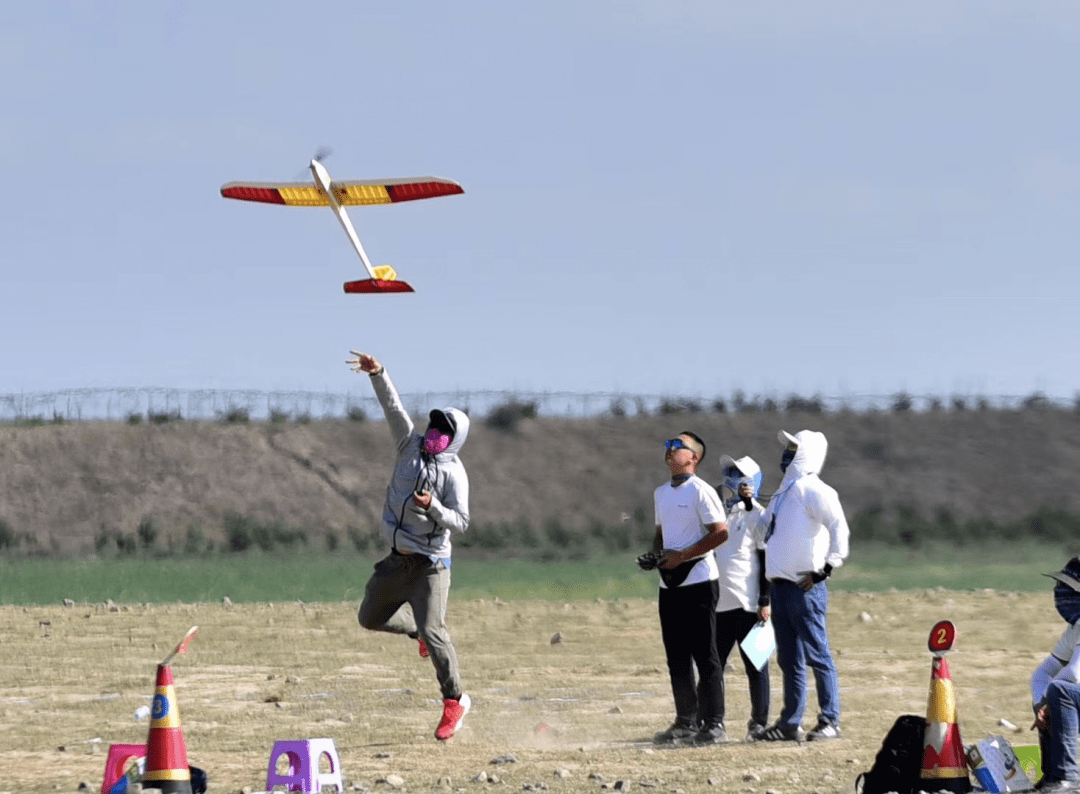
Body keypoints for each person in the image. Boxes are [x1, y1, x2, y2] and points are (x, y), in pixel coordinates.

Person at [346, 349, 472, 741]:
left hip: (431, 565)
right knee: (369, 617)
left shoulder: (454, 475)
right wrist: (378, 373)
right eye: (434, 426)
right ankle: (415, 630)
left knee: (436, 632)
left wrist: (433, 506)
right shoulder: (408, 445)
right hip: (397, 559)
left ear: (454, 440)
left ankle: (455, 700)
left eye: (444, 431)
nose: (435, 434)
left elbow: (461, 522)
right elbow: (393, 407)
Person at [755, 429, 849, 743]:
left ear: (807, 453)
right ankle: (790, 723)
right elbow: (762, 532)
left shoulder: (815, 490)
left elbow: (838, 526)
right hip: (780, 587)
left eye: (793, 449)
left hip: (805, 586)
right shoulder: (782, 494)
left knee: (817, 655)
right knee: (789, 660)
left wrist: (827, 567)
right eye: (787, 448)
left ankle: (830, 720)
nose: (786, 454)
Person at [645, 431, 730, 745]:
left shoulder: (701, 491)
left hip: (699, 581)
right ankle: (686, 720)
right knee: (676, 655)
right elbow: (661, 533)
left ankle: (715, 724)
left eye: (677, 446)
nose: (669, 450)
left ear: (694, 456)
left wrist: (683, 555)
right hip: (669, 584)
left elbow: (720, 533)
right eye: (667, 445)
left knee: (705, 655)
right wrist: (655, 556)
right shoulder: (660, 493)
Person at [713, 454, 771, 742]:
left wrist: (765, 600)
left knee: (757, 667)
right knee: (713, 667)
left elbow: (766, 558)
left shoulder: (758, 515)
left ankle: (758, 724)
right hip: (719, 604)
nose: (730, 477)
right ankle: (712, 723)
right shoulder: (720, 513)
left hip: (749, 605)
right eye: (729, 471)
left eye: (737, 473)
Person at [1030, 557, 1080, 792]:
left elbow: (1075, 674)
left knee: (1059, 691)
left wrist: (1047, 702)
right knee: (1050, 692)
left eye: (1067, 587)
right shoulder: (1076, 628)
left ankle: (1066, 777)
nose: (1059, 592)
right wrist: (1041, 703)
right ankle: (1052, 776)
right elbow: (1042, 673)